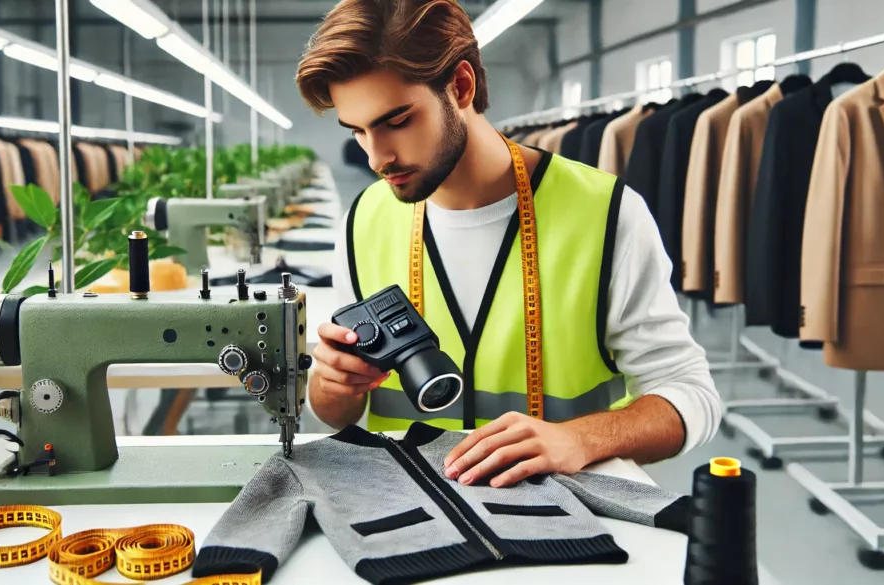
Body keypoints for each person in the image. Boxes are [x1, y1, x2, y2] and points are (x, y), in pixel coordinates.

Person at [294, 0, 721, 488]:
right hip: (412, 526)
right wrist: (330, 386)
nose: (377, 156)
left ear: (460, 86)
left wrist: (581, 438)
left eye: (396, 121)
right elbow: (337, 415)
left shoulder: (606, 213)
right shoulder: (361, 222)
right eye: (358, 132)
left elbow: (691, 394)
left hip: (570, 529)